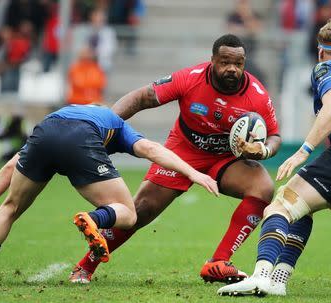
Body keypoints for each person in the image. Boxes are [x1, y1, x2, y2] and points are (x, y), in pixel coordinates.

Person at [69, 34, 282, 284]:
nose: (232, 69)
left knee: (263, 188)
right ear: (212, 60)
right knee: (140, 211)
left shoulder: (256, 94)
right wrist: (105, 123)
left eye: (238, 64)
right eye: (225, 62)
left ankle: (218, 262)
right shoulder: (191, 78)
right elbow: (142, 97)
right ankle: (85, 267)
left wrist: (264, 150)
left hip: (226, 156)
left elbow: (275, 135)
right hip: (184, 150)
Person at [218, 20, 331, 297]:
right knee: (302, 208)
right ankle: (278, 280)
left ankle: (261, 276)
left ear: (320, 50)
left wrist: (305, 150)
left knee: (280, 206)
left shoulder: (328, 67)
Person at [0, 104, 219, 285]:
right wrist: (193, 173)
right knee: (127, 214)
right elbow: (151, 149)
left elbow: (11, 165)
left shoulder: (64, 113)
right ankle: (94, 219)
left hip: (44, 132)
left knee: (10, 207)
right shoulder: (115, 122)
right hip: (80, 139)